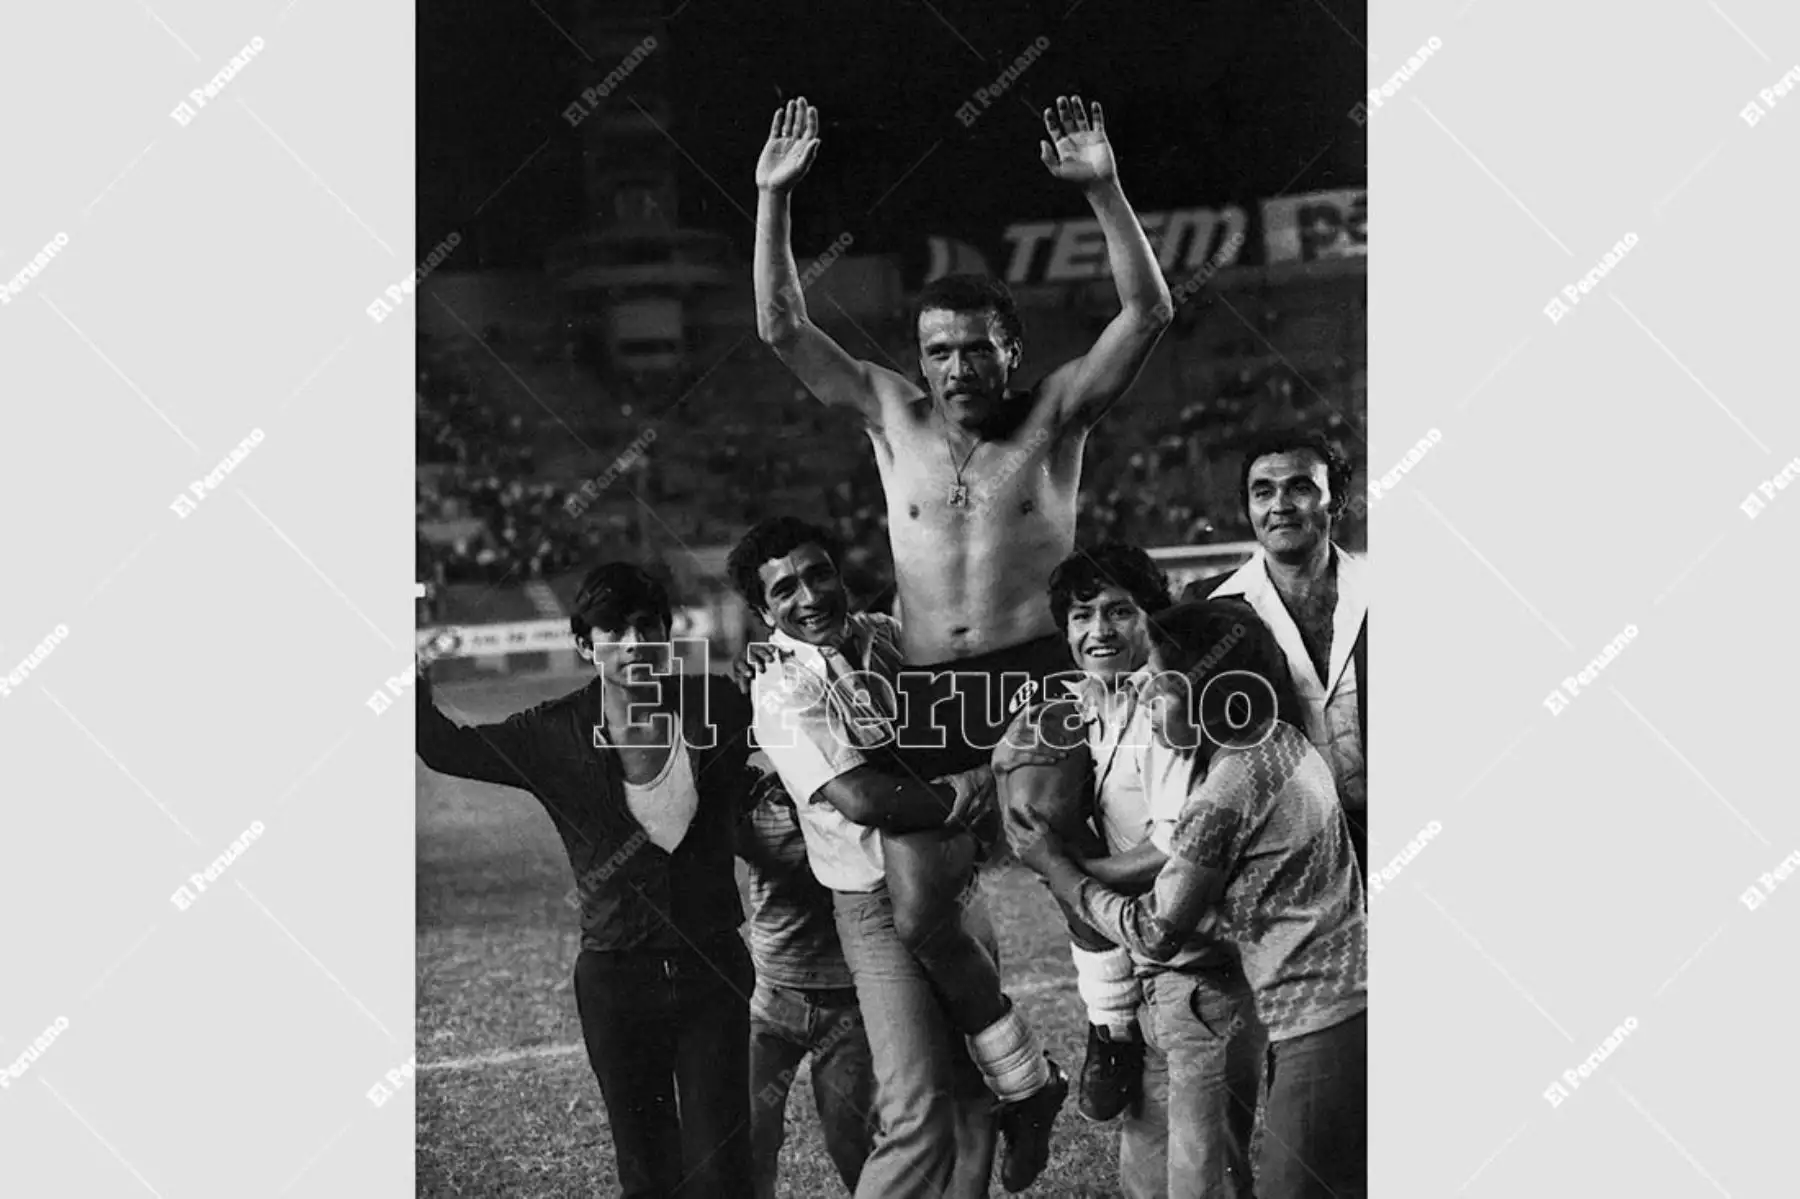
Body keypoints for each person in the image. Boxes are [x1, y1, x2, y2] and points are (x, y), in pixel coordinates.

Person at [754, 91, 1177, 1116]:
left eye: (978, 346)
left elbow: (1148, 313)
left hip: (1036, 670)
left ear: (1012, 348)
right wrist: (773, 200)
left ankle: (1112, 1023)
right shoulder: (888, 411)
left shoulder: (1057, 415)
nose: (957, 366)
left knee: (1043, 828)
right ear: (920, 353)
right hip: (929, 690)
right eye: (939, 348)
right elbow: (780, 327)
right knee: (918, 908)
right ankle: (1023, 1078)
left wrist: (1106, 188)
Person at [727, 517, 1062, 1197]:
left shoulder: (884, 635)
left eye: (819, 573)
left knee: (969, 1094)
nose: (811, 595)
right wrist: (970, 789)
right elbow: (858, 796)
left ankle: (1031, 1088)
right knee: (917, 1112)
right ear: (765, 613)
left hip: (950, 879)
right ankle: (1032, 1084)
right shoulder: (781, 686)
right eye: (785, 589)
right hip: (874, 906)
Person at [415, 562, 757, 1199]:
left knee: (723, 1171)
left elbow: (788, 745)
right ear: (583, 644)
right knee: (648, 1172)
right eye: (613, 630)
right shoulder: (551, 733)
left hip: (714, 968)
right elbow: (441, 747)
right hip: (616, 977)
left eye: (646, 627)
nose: (633, 644)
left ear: (667, 632)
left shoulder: (718, 703)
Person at [1007, 602, 1369, 1199]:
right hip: (1342, 1006)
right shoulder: (1280, 743)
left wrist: (1059, 871)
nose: (1144, 695)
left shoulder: (1226, 790)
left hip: (1320, 1021)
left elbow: (1153, 931)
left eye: (1159, 685)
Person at [1011, 544, 1265, 1198]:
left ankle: (1111, 1025)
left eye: (1120, 612)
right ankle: (1111, 1024)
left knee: (1203, 1173)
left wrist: (1071, 868)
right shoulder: (1082, 702)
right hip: (1146, 956)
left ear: (1151, 620)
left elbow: (1177, 847)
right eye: (1081, 614)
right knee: (1149, 1174)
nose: (1099, 630)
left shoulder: (1167, 700)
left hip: (1199, 959)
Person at [1182, 430, 1368, 882]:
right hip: (1280, 857)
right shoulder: (1206, 608)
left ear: (1337, 501)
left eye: (1300, 488)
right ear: (1248, 508)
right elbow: (1192, 744)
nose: (1280, 505)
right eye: (1263, 492)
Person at [736, 751, 879, 1199]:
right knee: (751, 1139)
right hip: (770, 999)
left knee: (850, 1140)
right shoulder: (756, 799)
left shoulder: (858, 797)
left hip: (847, 1007)